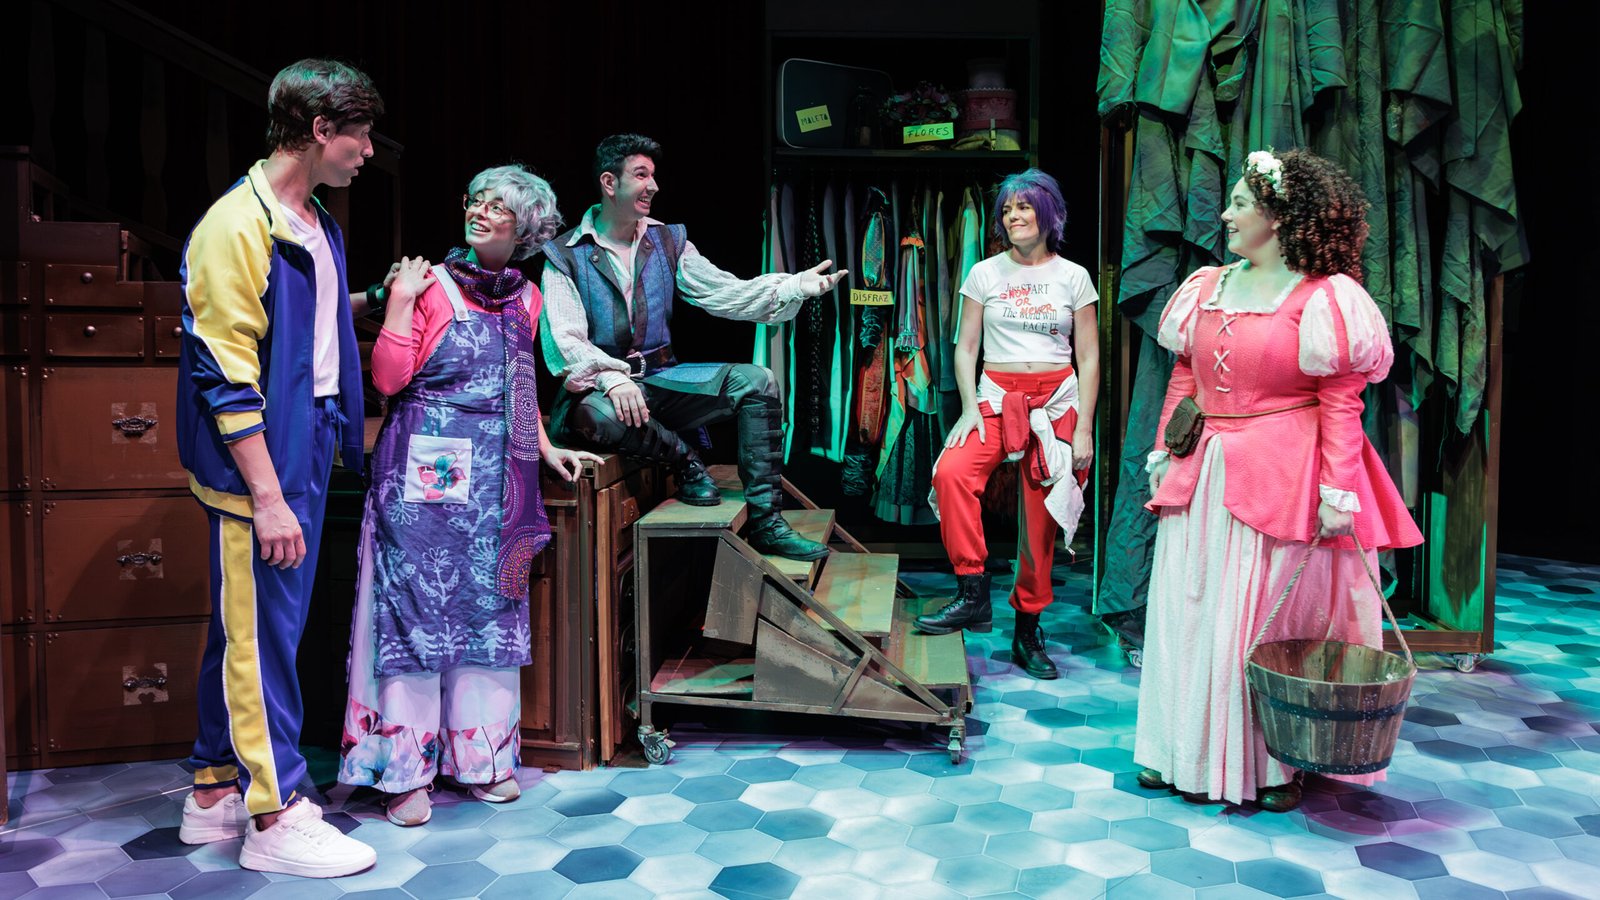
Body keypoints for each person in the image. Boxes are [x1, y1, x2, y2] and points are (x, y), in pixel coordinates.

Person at [1133, 149, 1423, 811]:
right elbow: (1186, 377)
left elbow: (1341, 403)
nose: (1226, 215)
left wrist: (1337, 492)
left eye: (1240, 203)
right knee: (1189, 612)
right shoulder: (1207, 285)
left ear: (1278, 216)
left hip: (1280, 476)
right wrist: (1164, 451)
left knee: (1258, 623)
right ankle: (1179, 750)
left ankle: (1268, 765)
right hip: (1202, 472)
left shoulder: (1325, 298)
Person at [337, 165, 600, 826]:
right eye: (474, 200)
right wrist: (401, 303)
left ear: (525, 226)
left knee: (488, 614)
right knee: (415, 614)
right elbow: (389, 380)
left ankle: (482, 760)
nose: (478, 212)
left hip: (495, 482)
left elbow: (519, 387)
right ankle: (404, 772)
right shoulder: (431, 284)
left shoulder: (526, 297)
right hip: (421, 473)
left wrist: (545, 448)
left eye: (495, 206)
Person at [175, 59, 382, 877]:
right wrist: (265, 495)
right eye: (360, 133)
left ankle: (214, 790)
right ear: (321, 130)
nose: (369, 150)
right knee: (261, 639)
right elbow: (224, 373)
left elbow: (309, 325)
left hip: (309, 441)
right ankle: (275, 811)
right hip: (260, 463)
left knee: (249, 627)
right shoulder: (237, 225)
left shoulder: (313, 220)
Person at [540, 134, 845, 561]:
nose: (653, 186)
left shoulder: (666, 240)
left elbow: (724, 292)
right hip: (602, 393)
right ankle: (685, 462)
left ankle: (767, 523)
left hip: (662, 380)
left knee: (757, 381)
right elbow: (564, 341)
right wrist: (612, 377)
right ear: (609, 183)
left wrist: (794, 286)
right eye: (641, 175)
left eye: (653, 176)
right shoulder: (565, 255)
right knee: (597, 413)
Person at [915, 169, 1099, 681]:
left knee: (1040, 522)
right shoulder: (984, 273)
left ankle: (1027, 632)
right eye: (1007, 209)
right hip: (996, 400)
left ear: (1048, 211)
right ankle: (972, 590)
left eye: (1024, 206)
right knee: (951, 473)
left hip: (1056, 404)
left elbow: (1088, 356)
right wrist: (970, 407)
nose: (1014, 216)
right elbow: (965, 347)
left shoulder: (1074, 276)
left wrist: (1084, 426)